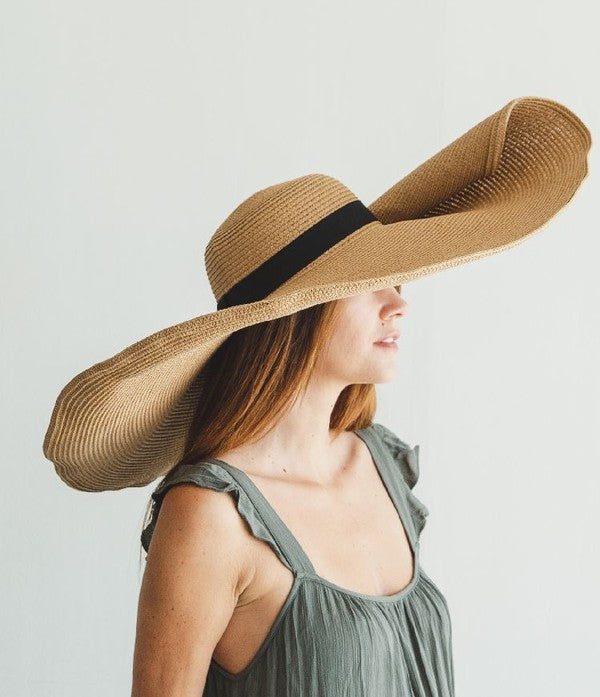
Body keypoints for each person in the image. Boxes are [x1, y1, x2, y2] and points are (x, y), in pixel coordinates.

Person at [41, 97, 591, 696]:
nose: (399, 301)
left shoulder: (381, 462)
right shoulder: (210, 517)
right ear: (294, 318)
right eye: (366, 280)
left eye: (396, 274)